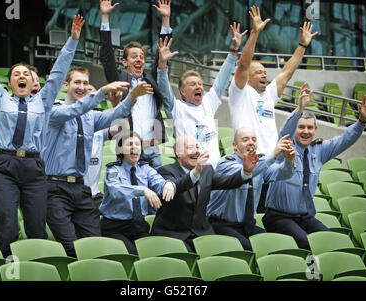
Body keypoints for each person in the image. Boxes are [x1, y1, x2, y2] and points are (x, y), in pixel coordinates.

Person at [0, 11, 85, 258]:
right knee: (7, 222)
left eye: (26, 73)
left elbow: (58, 72)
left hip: (34, 166)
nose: (22, 76)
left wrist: (73, 39)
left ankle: (36, 266)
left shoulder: (43, 101)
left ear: (31, 80)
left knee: (37, 224)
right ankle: (10, 266)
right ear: (10, 82)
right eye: (16, 74)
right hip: (4, 164)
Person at [42, 65, 151, 257]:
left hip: (81, 189)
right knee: (71, 247)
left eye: (85, 83)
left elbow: (114, 117)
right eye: (77, 82)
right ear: (66, 85)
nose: (82, 87)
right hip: (55, 189)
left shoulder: (90, 116)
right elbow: (74, 111)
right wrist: (102, 92)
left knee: (95, 246)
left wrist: (132, 97)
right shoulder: (55, 111)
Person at [263, 86, 366, 250]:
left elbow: (344, 140)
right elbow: (285, 131)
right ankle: (313, 275)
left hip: (305, 217)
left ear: (315, 130)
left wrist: (361, 122)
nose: (305, 131)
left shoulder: (319, 150)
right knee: (306, 243)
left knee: (332, 242)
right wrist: (300, 108)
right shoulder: (285, 146)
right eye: (301, 127)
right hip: (278, 217)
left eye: (310, 128)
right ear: (295, 129)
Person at [228, 6, 318, 157]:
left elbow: (287, 72)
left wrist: (302, 46)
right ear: (248, 78)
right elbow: (243, 64)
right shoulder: (240, 93)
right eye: (258, 72)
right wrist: (255, 32)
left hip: (272, 161)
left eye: (265, 72)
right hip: (248, 161)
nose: (264, 75)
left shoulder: (268, 95)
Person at [156, 23, 247, 167]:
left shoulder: (208, 102)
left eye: (200, 83)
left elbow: (222, 79)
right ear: (183, 92)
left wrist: (233, 50)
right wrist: (162, 66)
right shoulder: (177, 108)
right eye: (192, 84)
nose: (198, 86)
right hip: (192, 173)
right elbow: (165, 90)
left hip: (215, 173)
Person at [151, 134, 259, 252]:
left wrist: (246, 172)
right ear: (178, 152)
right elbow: (178, 186)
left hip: (201, 233)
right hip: (173, 234)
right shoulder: (166, 171)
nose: (196, 151)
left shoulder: (206, 170)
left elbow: (228, 181)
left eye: (198, 147)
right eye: (191, 148)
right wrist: (196, 172)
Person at [98, 0, 172, 168]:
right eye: (133, 56)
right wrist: (104, 17)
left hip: (153, 148)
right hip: (128, 149)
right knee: (133, 192)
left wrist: (166, 21)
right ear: (124, 62)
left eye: (141, 56)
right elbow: (106, 56)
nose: (139, 59)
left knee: (159, 192)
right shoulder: (119, 79)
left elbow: (163, 53)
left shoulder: (151, 78)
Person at [99, 131, 196, 255]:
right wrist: (143, 190)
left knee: (153, 254)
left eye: (137, 144)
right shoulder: (113, 169)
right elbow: (116, 190)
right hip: (114, 227)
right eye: (129, 144)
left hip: (139, 226)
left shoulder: (145, 169)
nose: (134, 148)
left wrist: (169, 184)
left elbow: (159, 183)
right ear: (121, 149)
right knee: (133, 254)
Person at [207, 130, 296, 251]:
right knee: (251, 249)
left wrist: (289, 161)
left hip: (248, 225)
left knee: (275, 246)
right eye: (245, 140)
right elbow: (246, 172)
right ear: (234, 145)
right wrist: (274, 155)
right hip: (222, 224)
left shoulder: (261, 163)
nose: (251, 143)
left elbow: (283, 173)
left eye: (254, 139)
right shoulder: (226, 163)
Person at [0, 67, 42, 219]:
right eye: (26, 78)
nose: (35, 84)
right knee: (0, 220)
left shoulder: (40, 111)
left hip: (25, 171)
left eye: (37, 81)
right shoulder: (4, 107)